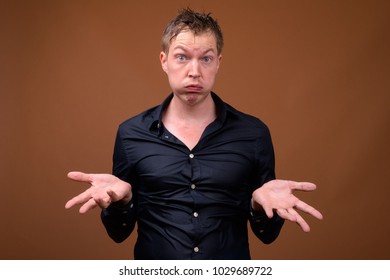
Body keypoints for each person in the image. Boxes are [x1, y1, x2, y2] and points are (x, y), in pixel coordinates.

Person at [65, 8, 323, 260]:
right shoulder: (131, 134)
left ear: (218, 63)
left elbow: (267, 235)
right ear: (164, 61)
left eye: (206, 59)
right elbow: (118, 233)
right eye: (182, 57)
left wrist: (258, 207)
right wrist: (122, 203)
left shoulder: (254, 134)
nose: (194, 72)